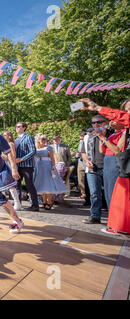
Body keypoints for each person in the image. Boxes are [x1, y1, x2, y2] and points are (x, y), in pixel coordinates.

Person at [80, 98, 130, 236]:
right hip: (109, 163)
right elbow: (102, 150)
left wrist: (104, 139)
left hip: (116, 163)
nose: (126, 113)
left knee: (117, 195)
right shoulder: (116, 133)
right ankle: (115, 223)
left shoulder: (124, 132)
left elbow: (117, 150)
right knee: (111, 195)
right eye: (126, 110)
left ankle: (118, 225)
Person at [79, 114, 112, 224]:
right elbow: (83, 152)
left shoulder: (112, 134)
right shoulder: (89, 136)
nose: (96, 125)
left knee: (109, 194)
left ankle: (113, 218)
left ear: (105, 123)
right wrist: (86, 161)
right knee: (94, 194)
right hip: (93, 169)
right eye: (93, 123)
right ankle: (95, 216)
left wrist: (102, 136)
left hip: (109, 168)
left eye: (98, 122)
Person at [33, 134, 68, 210]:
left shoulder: (49, 148)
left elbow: (52, 158)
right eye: (42, 139)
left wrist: (53, 167)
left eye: (44, 139)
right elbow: (34, 158)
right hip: (39, 166)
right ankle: (44, 201)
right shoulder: (36, 148)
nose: (43, 140)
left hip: (47, 166)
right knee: (41, 184)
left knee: (48, 184)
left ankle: (49, 202)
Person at [14, 122, 39, 211]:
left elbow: (33, 151)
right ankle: (18, 203)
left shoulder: (28, 137)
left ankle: (35, 205)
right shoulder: (16, 139)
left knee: (29, 185)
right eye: (16, 127)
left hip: (27, 165)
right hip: (18, 166)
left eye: (18, 126)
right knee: (16, 184)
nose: (16, 128)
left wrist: (22, 159)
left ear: (24, 128)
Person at [2, 131, 22, 210]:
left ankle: (17, 203)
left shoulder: (11, 144)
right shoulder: (3, 144)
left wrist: (4, 157)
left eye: (5, 135)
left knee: (11, 185)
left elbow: (13, 156)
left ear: (9, 136)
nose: (3, 136)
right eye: (3, 135)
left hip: (10, 165)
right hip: (4, 164)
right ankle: (5, 202)